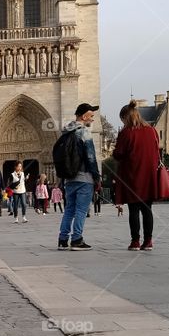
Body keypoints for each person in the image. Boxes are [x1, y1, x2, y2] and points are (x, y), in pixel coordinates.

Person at [112, 99, 161, 250]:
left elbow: (119, 154)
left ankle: (135, 241)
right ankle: (148, 241)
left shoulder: (126, 133)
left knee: (134, 210)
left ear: (125, 117)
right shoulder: (152, 131)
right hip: (149, 175)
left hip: (132, 175)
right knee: (147, 209)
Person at [54, 104, 101, 250]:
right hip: (84, 177)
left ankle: (63, 239)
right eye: (91, 116)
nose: (92, 119)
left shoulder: (66, 132)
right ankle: (77, 239)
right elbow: (91, 157)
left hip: (69, 178)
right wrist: (96, 177)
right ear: (84, 116)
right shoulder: (84, 132)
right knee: (81, 210)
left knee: (69, 210)